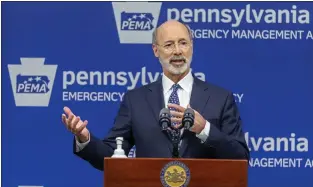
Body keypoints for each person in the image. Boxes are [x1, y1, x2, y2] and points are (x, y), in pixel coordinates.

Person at [61, 20, 250, 171]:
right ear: (155, 50)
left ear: (192, 46)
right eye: (169, 45)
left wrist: (205, 129)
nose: (177, 51)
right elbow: (112, 158)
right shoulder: (135, 100)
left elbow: (241, 157)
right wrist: (85, 138)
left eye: (183, 43)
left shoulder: (221, 98)